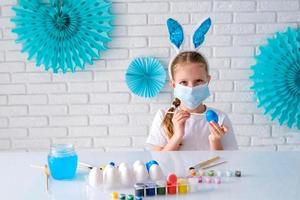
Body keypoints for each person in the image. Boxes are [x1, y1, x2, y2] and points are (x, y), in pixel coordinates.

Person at [146, 18, 238, 151]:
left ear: (208, 81)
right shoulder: (163, 117)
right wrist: (178, 135)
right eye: (183, 82)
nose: (191, 88)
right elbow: (157, 163)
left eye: (198, 81)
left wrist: (215, 140)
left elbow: (228, 163)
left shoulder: (221, 119)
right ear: (173, 84)